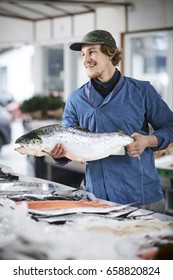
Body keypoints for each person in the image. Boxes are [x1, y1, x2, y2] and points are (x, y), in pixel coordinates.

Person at [50, 29, 173, 213]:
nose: (86, 60)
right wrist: (58, 153)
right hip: (96, 197)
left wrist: (147, 141)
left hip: (140, 196)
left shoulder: (142, 91)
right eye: (83, 54)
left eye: (92, 52)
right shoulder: (76, 99)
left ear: (110, 53)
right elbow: (68, 144)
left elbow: (170, 126)